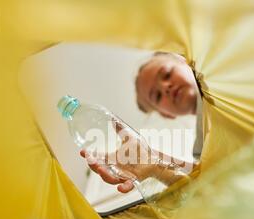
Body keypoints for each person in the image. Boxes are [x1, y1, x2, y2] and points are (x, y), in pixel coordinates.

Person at [80, 52, 204, 193]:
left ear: (184, 61)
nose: (165, 88)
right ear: (166, 114)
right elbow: (208, 181)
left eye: (167, 74)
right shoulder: (202, 145)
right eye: (157, 96)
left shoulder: (219, 78)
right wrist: (152, 164)